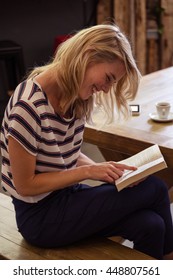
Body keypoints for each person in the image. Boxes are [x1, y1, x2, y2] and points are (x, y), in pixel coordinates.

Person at [0, 23, 173, 260]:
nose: (106, 88)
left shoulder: (75, 95)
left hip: (67, 197)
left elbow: (65, 154)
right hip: (39, 217)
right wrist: (91, 171)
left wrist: (109, 171)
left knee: (151, 225)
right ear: (88, 55)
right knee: (155, 188)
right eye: (109, 78)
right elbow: (25, 185)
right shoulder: (28, 106)